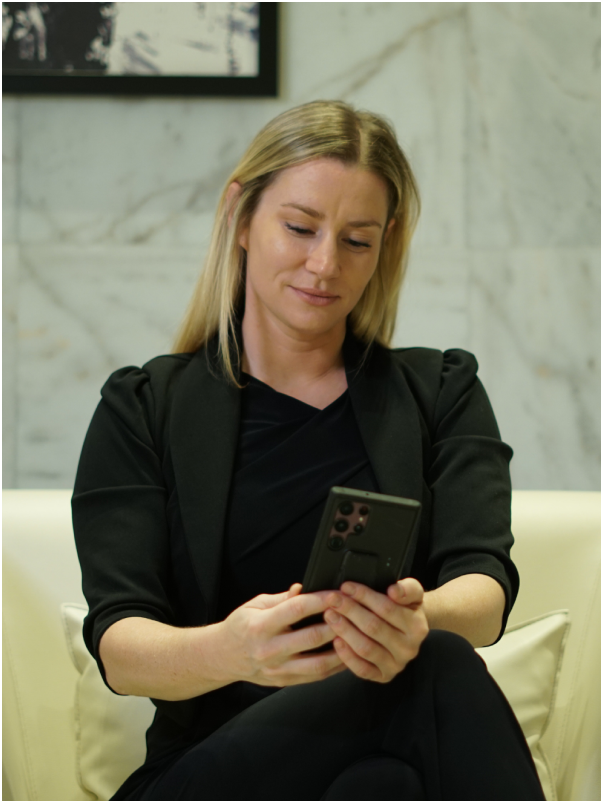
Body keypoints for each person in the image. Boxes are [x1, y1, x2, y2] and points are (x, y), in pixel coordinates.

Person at [72, 100, 546, 801]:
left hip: (382, 757)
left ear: (386, 242)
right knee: (437, 666)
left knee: (381, 784)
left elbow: (482, 589)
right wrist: (232, 650)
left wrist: (414, 619)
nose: (324, 265)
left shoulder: (439, 390)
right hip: (205, 772)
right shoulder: (143, 406)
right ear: (240, 216)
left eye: (356, 240)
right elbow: (121, 648)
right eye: (299, 227)